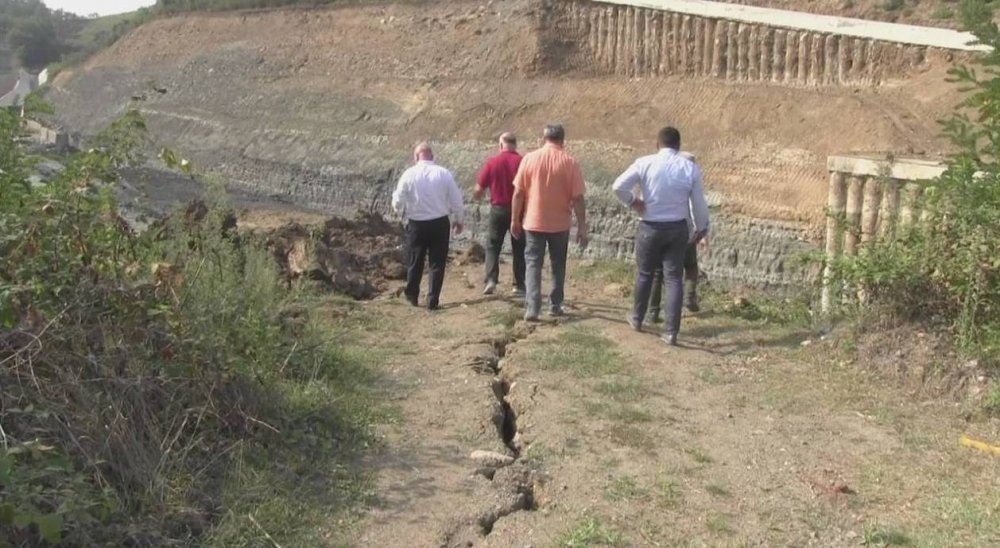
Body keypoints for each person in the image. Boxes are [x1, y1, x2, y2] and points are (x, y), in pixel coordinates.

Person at [613, 127, 709, 345]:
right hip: (677, 229)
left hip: (650, 226)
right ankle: (671, 332)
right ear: (679, 145)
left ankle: (637, 318)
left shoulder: (645, 163)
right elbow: (699, 203)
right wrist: (701, 228)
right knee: (674, 278)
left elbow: (618, 186)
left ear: (657, 144)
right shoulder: (689, 168)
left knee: (645, 273)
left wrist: (633, 202)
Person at [511, 124, 588, 321]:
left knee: (533, 264)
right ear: (563, 140)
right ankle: (555, 304)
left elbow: (518, 193)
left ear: (543, 138)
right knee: (558, 264)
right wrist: (582, 226)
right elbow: (578, 198)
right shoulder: (570, 163)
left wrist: (514, 220)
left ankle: (533, 307)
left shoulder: (529, 159)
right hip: (560, 224)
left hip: (533, 221)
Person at [391, 142, 465, 310]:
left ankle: (412, 296)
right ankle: (433, 299)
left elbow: (398, 199)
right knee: (437, 263)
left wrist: (398, 210)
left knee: (415, 260)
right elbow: (456, 200)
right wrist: (459, 219)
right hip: (439, 223)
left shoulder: (409, 174)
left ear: (416, 157)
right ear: (432, 156)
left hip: (417, 224)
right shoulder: (444, 174)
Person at [648, 151, 706, 322]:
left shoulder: (666, 182)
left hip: (660, 230)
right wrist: (702, 232)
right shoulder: (691, 183)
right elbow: (698, 210)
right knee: (689, 267)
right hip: (684, 235)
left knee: (658, 273)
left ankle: (653, 311)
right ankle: (689, 297)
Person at [474, 132, 526, 296]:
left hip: (498, 209)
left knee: (493, 246)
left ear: (501, 145)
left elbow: (479, 189)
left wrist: (477, 197)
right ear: (515, 145)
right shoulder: (523, 162)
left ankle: (491, 280)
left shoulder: (493, 162)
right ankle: (518, 284)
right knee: (519, 247)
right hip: (519, 210)